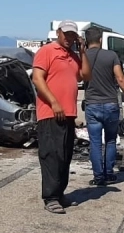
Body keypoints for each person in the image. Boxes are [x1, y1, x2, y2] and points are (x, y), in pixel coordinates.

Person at [31, 20, 92, 214]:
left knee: (65, 155)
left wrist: (83, 51)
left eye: (73, 35)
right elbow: (37, 78)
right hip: (50, 112)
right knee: (51, 154)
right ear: (58, 33)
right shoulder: (47, 51)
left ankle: (59, 194)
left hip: (68, 114)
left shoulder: (73, 56)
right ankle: (50, 197)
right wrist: (54, 102)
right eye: (66, 34)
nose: (69, 38)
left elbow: (86, 76)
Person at [83, 27, 124, 186]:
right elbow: (120, 78)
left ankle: (98, 177)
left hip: (92, 105)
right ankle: (109, 173)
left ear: (86, 40)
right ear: (100, 39)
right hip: (111, 104)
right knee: (111, 140)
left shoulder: (82, 58)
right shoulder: (111, 55)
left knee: (95, 142)